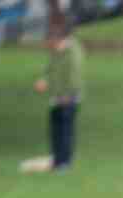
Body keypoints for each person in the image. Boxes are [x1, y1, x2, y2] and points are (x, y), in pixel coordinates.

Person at [33, 23, 84, 172]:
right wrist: (44, 80)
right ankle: (57, 160)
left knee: (65, 131)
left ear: (57, 39)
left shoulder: (72, 52)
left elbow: (74, 76)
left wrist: (68, 95)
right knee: (55, 130)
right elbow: (50, 69)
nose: (48, 46)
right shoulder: (55, 52)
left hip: (68, 98)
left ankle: (65, 162)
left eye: (50, 42)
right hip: (56, 97)